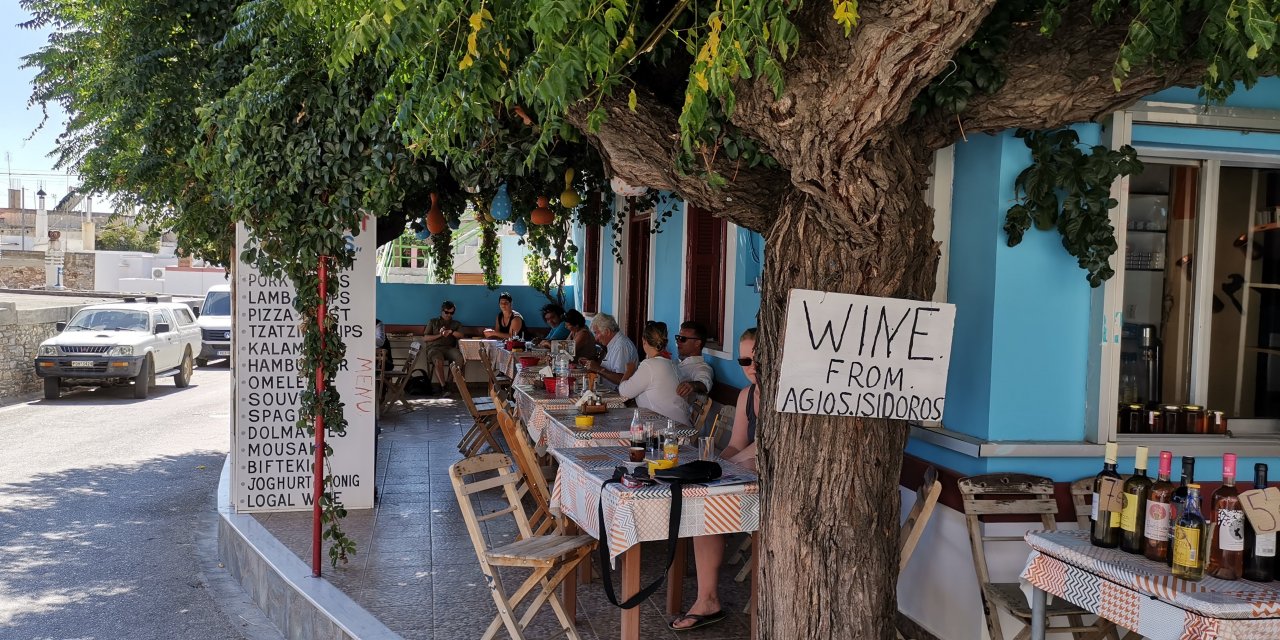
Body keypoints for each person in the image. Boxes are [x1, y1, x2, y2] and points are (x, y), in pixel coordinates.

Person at [670, 327, 758, 632]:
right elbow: (736, 443)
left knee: (708, 495)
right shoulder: (748, 395)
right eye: (745, 361)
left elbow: (768, 444)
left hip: (774, 484)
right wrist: (719, 464)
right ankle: (707, 599)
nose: (752, 367)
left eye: (759, 359)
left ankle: (716, 600)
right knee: (702, 500)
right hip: (746, 477)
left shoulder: (785, 396)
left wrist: (731, 464)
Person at [617, 321, 690, 425]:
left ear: (644, 341)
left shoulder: (649, 365)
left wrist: (629, 371)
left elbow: (624, 392)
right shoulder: (671, 363)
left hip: (668, 429)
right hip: (680, 424)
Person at [582, 312, 637, 389]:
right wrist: (591, 364)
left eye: (596, 333)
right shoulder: (613, 344)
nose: (596, 338)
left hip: (618, 396)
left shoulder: (621, 346)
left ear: (607, 332)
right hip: (607, 391)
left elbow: (622, 379)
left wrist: (598, 369)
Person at [423, 301, 464, 394]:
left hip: (449, 348)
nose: (449, 315)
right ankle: (443, 386)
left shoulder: (456, 324)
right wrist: (440, 335)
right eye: (446, 312)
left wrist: (451, 332)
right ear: (442, 311)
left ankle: (449, 382)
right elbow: (425, 338)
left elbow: (461, 335)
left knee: (459, 358)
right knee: (438, 360)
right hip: (434, 348)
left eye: (451, 313)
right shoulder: (433, 322)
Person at [674, 321, 714, 407]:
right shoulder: (676, 362)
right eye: (678, 338)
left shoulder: (701, 367)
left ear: (697, 343)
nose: (678, 342)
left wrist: (692, 385)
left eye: (683, 339)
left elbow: (704, 382)